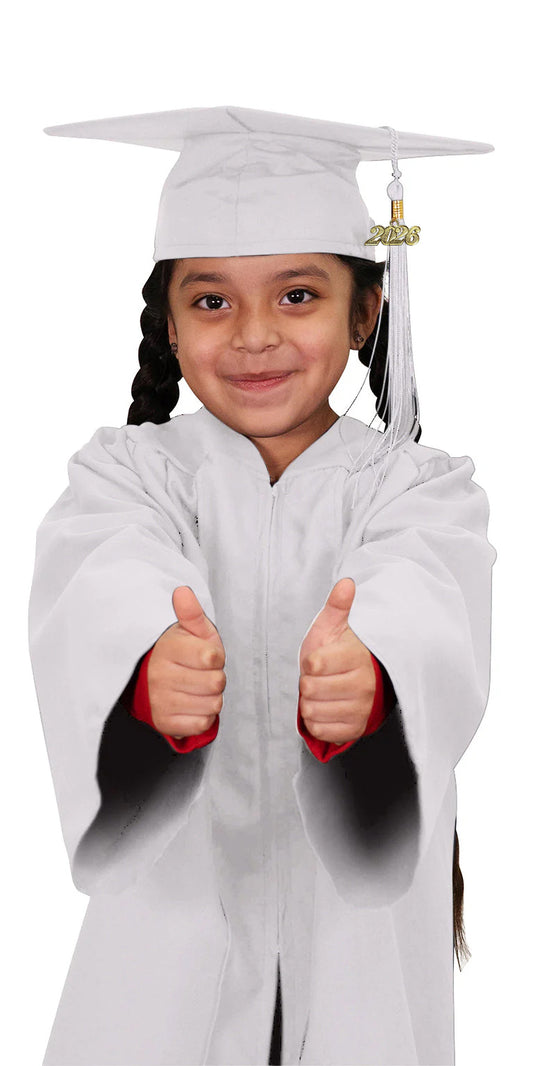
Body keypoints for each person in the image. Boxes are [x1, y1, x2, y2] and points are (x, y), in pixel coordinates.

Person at [28, 106, 497, 1066]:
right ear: (166, 315)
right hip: (167, 952)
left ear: (366, 310)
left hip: (357, 949)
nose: (252, 337)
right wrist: (145, 673)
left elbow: (427, 590)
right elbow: (106, 570)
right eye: (210, 302)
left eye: (296, 296)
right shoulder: (127, 474)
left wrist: (376, 679)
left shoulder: (418, 487)